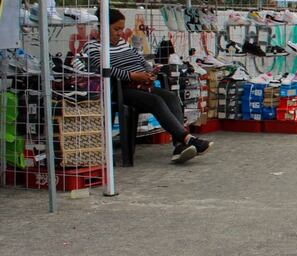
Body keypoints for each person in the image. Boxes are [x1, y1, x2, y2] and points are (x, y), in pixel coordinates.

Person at [82, 9, 213, 163]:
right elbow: (104, 70)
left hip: (140, 85)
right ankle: (188, 139)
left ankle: (179, 145)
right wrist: (132, 76)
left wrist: (150, 72)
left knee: (171, 97)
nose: (120, 33)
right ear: (102, 28)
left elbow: (141, 60)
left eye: (121, 29)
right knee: (155, 101)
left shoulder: (123, 43)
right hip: (119, 89)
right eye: (116, 29)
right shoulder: (92, 47)